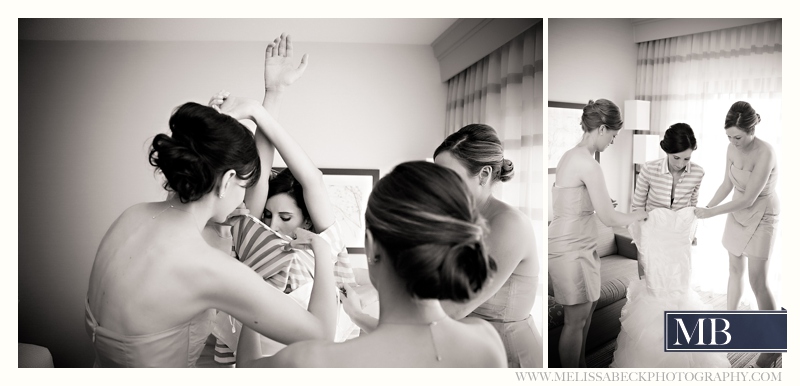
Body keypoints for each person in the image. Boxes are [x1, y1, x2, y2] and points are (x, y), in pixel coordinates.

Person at [85, 100, 339, 367]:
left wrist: (217, 133)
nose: (243, 198)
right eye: (244, 186)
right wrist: (321, 249)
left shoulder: (130, 217)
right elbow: (320, 335)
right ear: (228, 180)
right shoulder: (209, 266)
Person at [236, 161, 507, 367]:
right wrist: (358, 317)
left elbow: (246, 369)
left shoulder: (313, 358)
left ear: (371, 245)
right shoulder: (486, 343)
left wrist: (252, 291)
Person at [207, 34, 361, 366]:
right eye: (266, 215)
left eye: (286, 218)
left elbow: (312, 180)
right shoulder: (250, 240)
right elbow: (259, 175)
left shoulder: (325, 248)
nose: (272, 225)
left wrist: (260, 112)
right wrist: (270, 96)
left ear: (307, 220)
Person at [610, 124, 729, 368]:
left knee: (679, 289)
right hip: (654, 237)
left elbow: (693, 205)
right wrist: (642, 242)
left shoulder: (698, 172)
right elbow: (637, 205)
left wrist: (690, 232)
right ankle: (650, 353)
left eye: (687, 157)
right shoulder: (649, 169)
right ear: (666, 151)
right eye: (677, 158)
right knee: (654, 291)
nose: (681, 163)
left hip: (678, 239)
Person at [432, 124, 542, 368]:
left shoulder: (510, 225)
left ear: (483, 174)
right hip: (464, 346)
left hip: (505, 353)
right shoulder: (457, 219)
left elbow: (456, 306)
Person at [548, 99, 647, 368]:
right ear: (602, 129)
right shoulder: (588, 164)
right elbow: (609, 218)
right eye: (614, 136)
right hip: (571, 246)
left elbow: (574, 201)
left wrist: (596, 202)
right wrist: (639, 215)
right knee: (575, 321)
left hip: (580, 241)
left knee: (585, 315)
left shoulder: (571, 156)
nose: (613, 142)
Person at [695, 101, 781, 368]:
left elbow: (750, 198)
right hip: (736, 211)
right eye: (729, 136)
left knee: (758, 281)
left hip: (761, 213)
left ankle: (774, 347)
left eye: (738, 137)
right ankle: (729, 327)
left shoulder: (766, 152)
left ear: (752, 130)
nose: (733, 142)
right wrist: (707, 207)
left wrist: (713, 213)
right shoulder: (731, 147)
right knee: (734, 270)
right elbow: (727, 183)